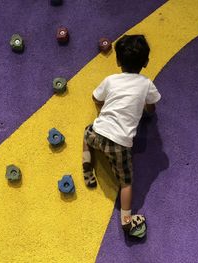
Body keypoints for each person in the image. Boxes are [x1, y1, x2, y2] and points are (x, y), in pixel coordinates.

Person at [82, 34, 161, 235]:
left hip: (98, 134)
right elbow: (151, 107)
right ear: (146, 62)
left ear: (117, 61)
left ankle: (87, 164)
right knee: (126, 183)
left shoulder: (110, 80)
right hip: (119, 146)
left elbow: (95, 98)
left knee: (86, 134)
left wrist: (102, 108)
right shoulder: (146, 84)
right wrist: (147, 111)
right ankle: (126, 220)